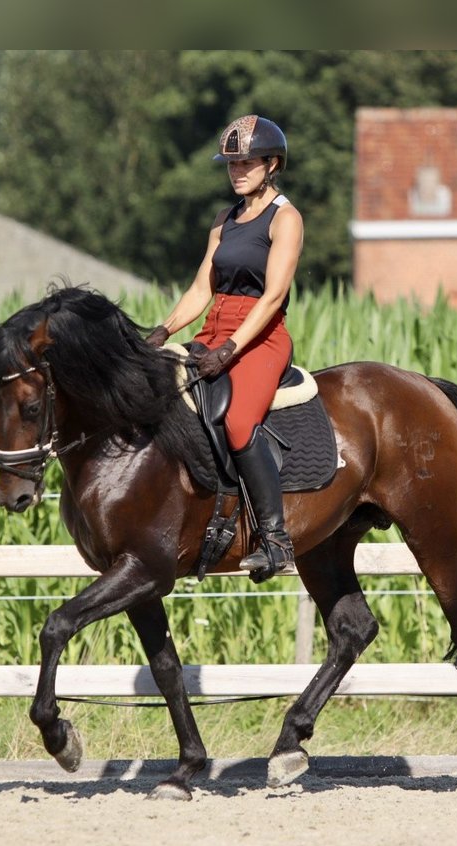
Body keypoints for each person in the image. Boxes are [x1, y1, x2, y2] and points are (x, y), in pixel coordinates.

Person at [146, 114, 303, 581]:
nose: (237, 171)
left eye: (247, 163)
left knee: (237, 420)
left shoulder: (286, 219)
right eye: (231, 164)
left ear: (272, 164)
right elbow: (200, 290)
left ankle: (275, 541)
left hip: (261, 335)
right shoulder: (225, 220)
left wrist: (232, 348)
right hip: (214, 330)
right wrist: (162, 331)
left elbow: (273, 295)